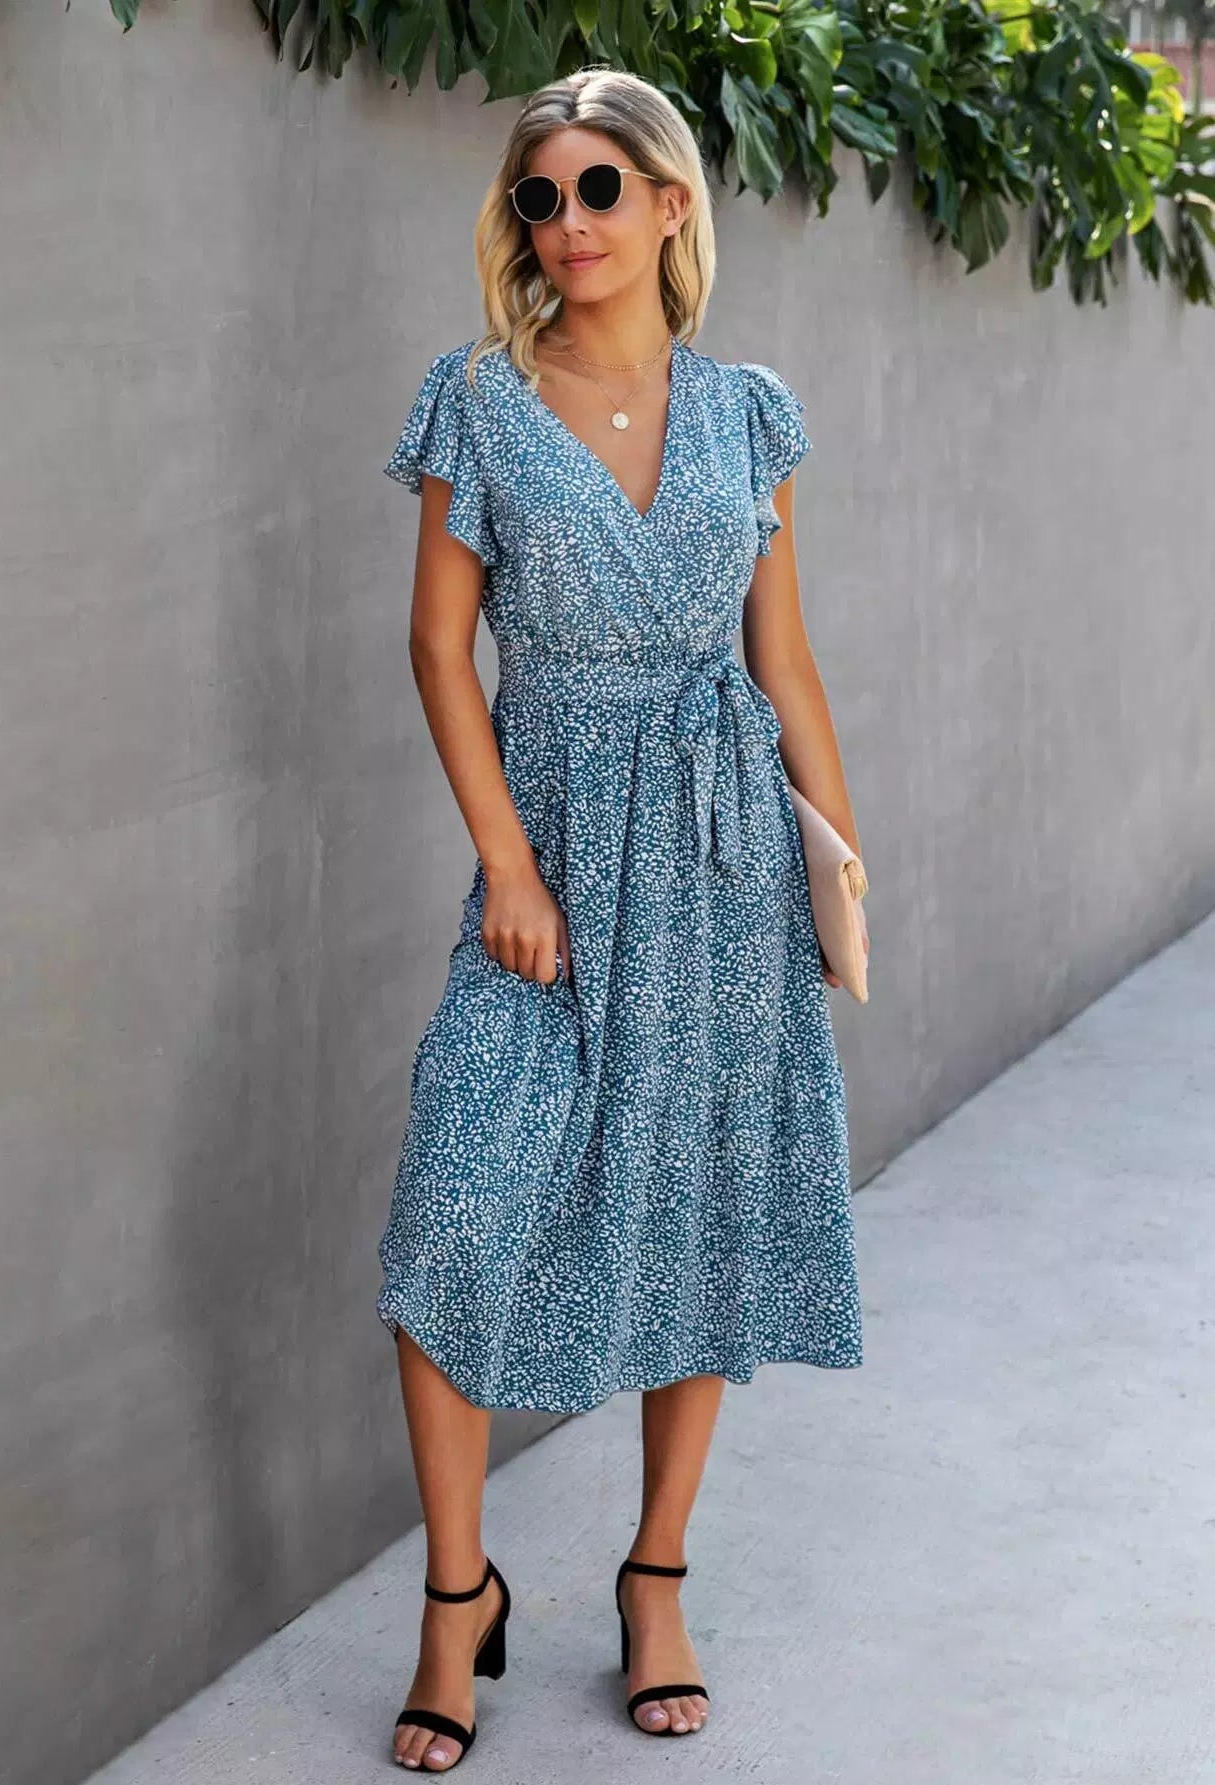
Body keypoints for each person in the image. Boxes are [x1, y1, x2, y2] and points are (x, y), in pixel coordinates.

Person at [375, 64, 869, 1773]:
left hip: (727, 864)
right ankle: (459, 1598)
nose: (567, 222)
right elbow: (440, 646)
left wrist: (840, 860)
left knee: (701, 1217)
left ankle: (656, 1576)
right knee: (453, 1214)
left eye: (599, 188)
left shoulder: (748, 414)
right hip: (557, 861)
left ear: (669, 205)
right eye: (540, 196)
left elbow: (782, 658)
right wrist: (508, 864)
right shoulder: (478, 400)